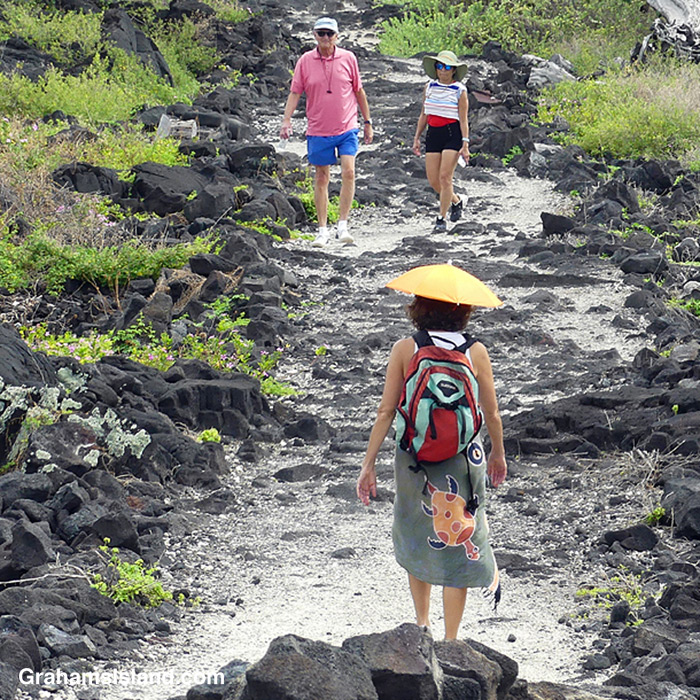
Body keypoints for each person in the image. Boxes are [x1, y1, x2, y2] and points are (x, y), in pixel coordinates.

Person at [356, 292, 506, 640]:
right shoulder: (476, 351)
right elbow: (492, 413)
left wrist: (368, 464)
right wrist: (498, 452)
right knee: (461, 536)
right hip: (464, 459)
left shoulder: (405, 349)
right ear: (464, 310)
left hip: (414, 457)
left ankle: (422, 624)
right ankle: (451, 639)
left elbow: (386, 412)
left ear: (419, 308)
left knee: (418, 532)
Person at [280, 16, 373, 248]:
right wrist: (286, 120)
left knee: (349, 172)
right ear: (314, 35)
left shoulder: (348, 58)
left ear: (337, 36)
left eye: (329, 34)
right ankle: (322, 230)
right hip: (318, 128)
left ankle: (343, 224)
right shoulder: (305, 61)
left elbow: (359, 91)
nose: (325, 38)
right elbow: (295, 92)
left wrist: (368, 121)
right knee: (321, 177)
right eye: (321, 33)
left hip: (347, 125)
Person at [412, 50, 470, 233]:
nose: (443, 70)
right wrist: (417, 138)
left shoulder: (460, 90)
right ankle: (457, 201)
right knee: (434, 181)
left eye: (447, 67)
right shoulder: (429, 87)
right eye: (439, 66)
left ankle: (441, 218)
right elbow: (424, 114)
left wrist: (465, 144)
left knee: (445, 177)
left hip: (452, 134)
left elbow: (463, 119)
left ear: (453, 70)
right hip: (433, 133)